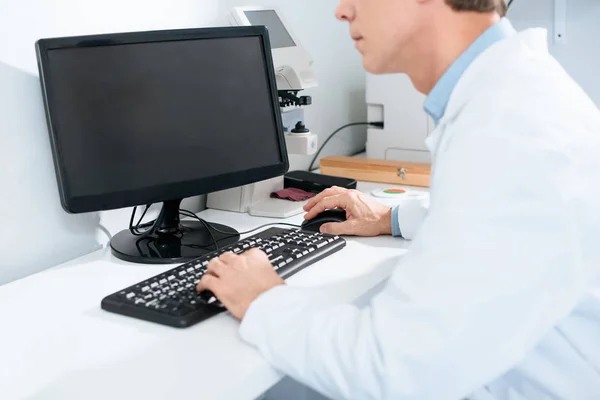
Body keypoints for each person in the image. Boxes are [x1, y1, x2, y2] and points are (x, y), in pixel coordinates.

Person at [197, 0, 600, 398]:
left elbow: (392, 371)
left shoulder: (506, 131)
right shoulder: (515, 94)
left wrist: (263, 300)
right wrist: (394, 217)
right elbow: (511, 225)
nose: (341, 11)